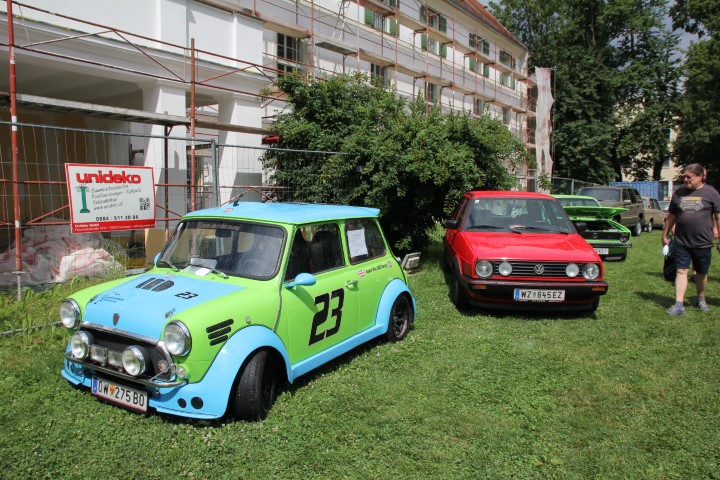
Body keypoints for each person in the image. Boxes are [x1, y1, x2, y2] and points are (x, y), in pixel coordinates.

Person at [662, 163, 720, 315]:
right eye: (684, 177)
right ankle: (679, 304)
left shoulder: (711, 193)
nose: (685, 180)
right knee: (681, 271)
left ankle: (701, 298)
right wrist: (665, 234)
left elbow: (718, 217)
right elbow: (672, 216)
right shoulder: (679, 192)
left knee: (701, 272)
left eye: (689, 177)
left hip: (703, 242)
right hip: (682, 241)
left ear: (700, 177)